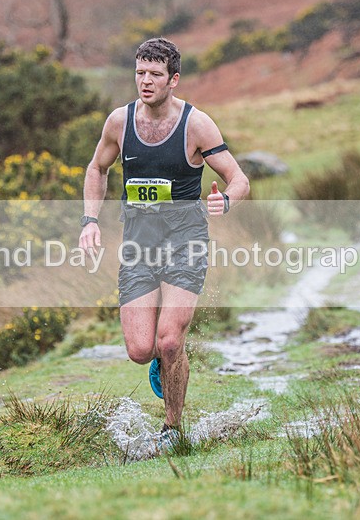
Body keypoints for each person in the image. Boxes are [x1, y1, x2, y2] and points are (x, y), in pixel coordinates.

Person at [79, 37, 249, 442]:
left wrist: (225, 200)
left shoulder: (196, 124)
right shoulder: (119, 122)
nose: (145, 81)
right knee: (141, 350)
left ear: (173, 79)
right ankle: (163, 358)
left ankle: (172, 427)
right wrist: (90, 220)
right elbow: (97, 168)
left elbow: (239, 179)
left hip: (186, 242)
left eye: (155, 74)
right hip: (139, 245)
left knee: (170, 340)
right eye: (140, 73)